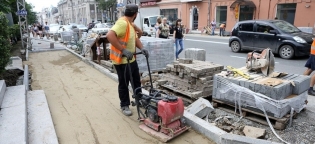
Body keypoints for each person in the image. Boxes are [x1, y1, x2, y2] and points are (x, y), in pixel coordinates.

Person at [106, 4, 149, 116]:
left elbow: (134, 38)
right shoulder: (122, 23)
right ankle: (124, 105)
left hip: (131, 59)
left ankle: (139, 99)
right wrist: (123, 50)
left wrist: (142, 48)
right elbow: (110, 35)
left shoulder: (129, 24)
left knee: (136, 81)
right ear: (135, 14)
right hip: (122, 61)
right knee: (124, 83)